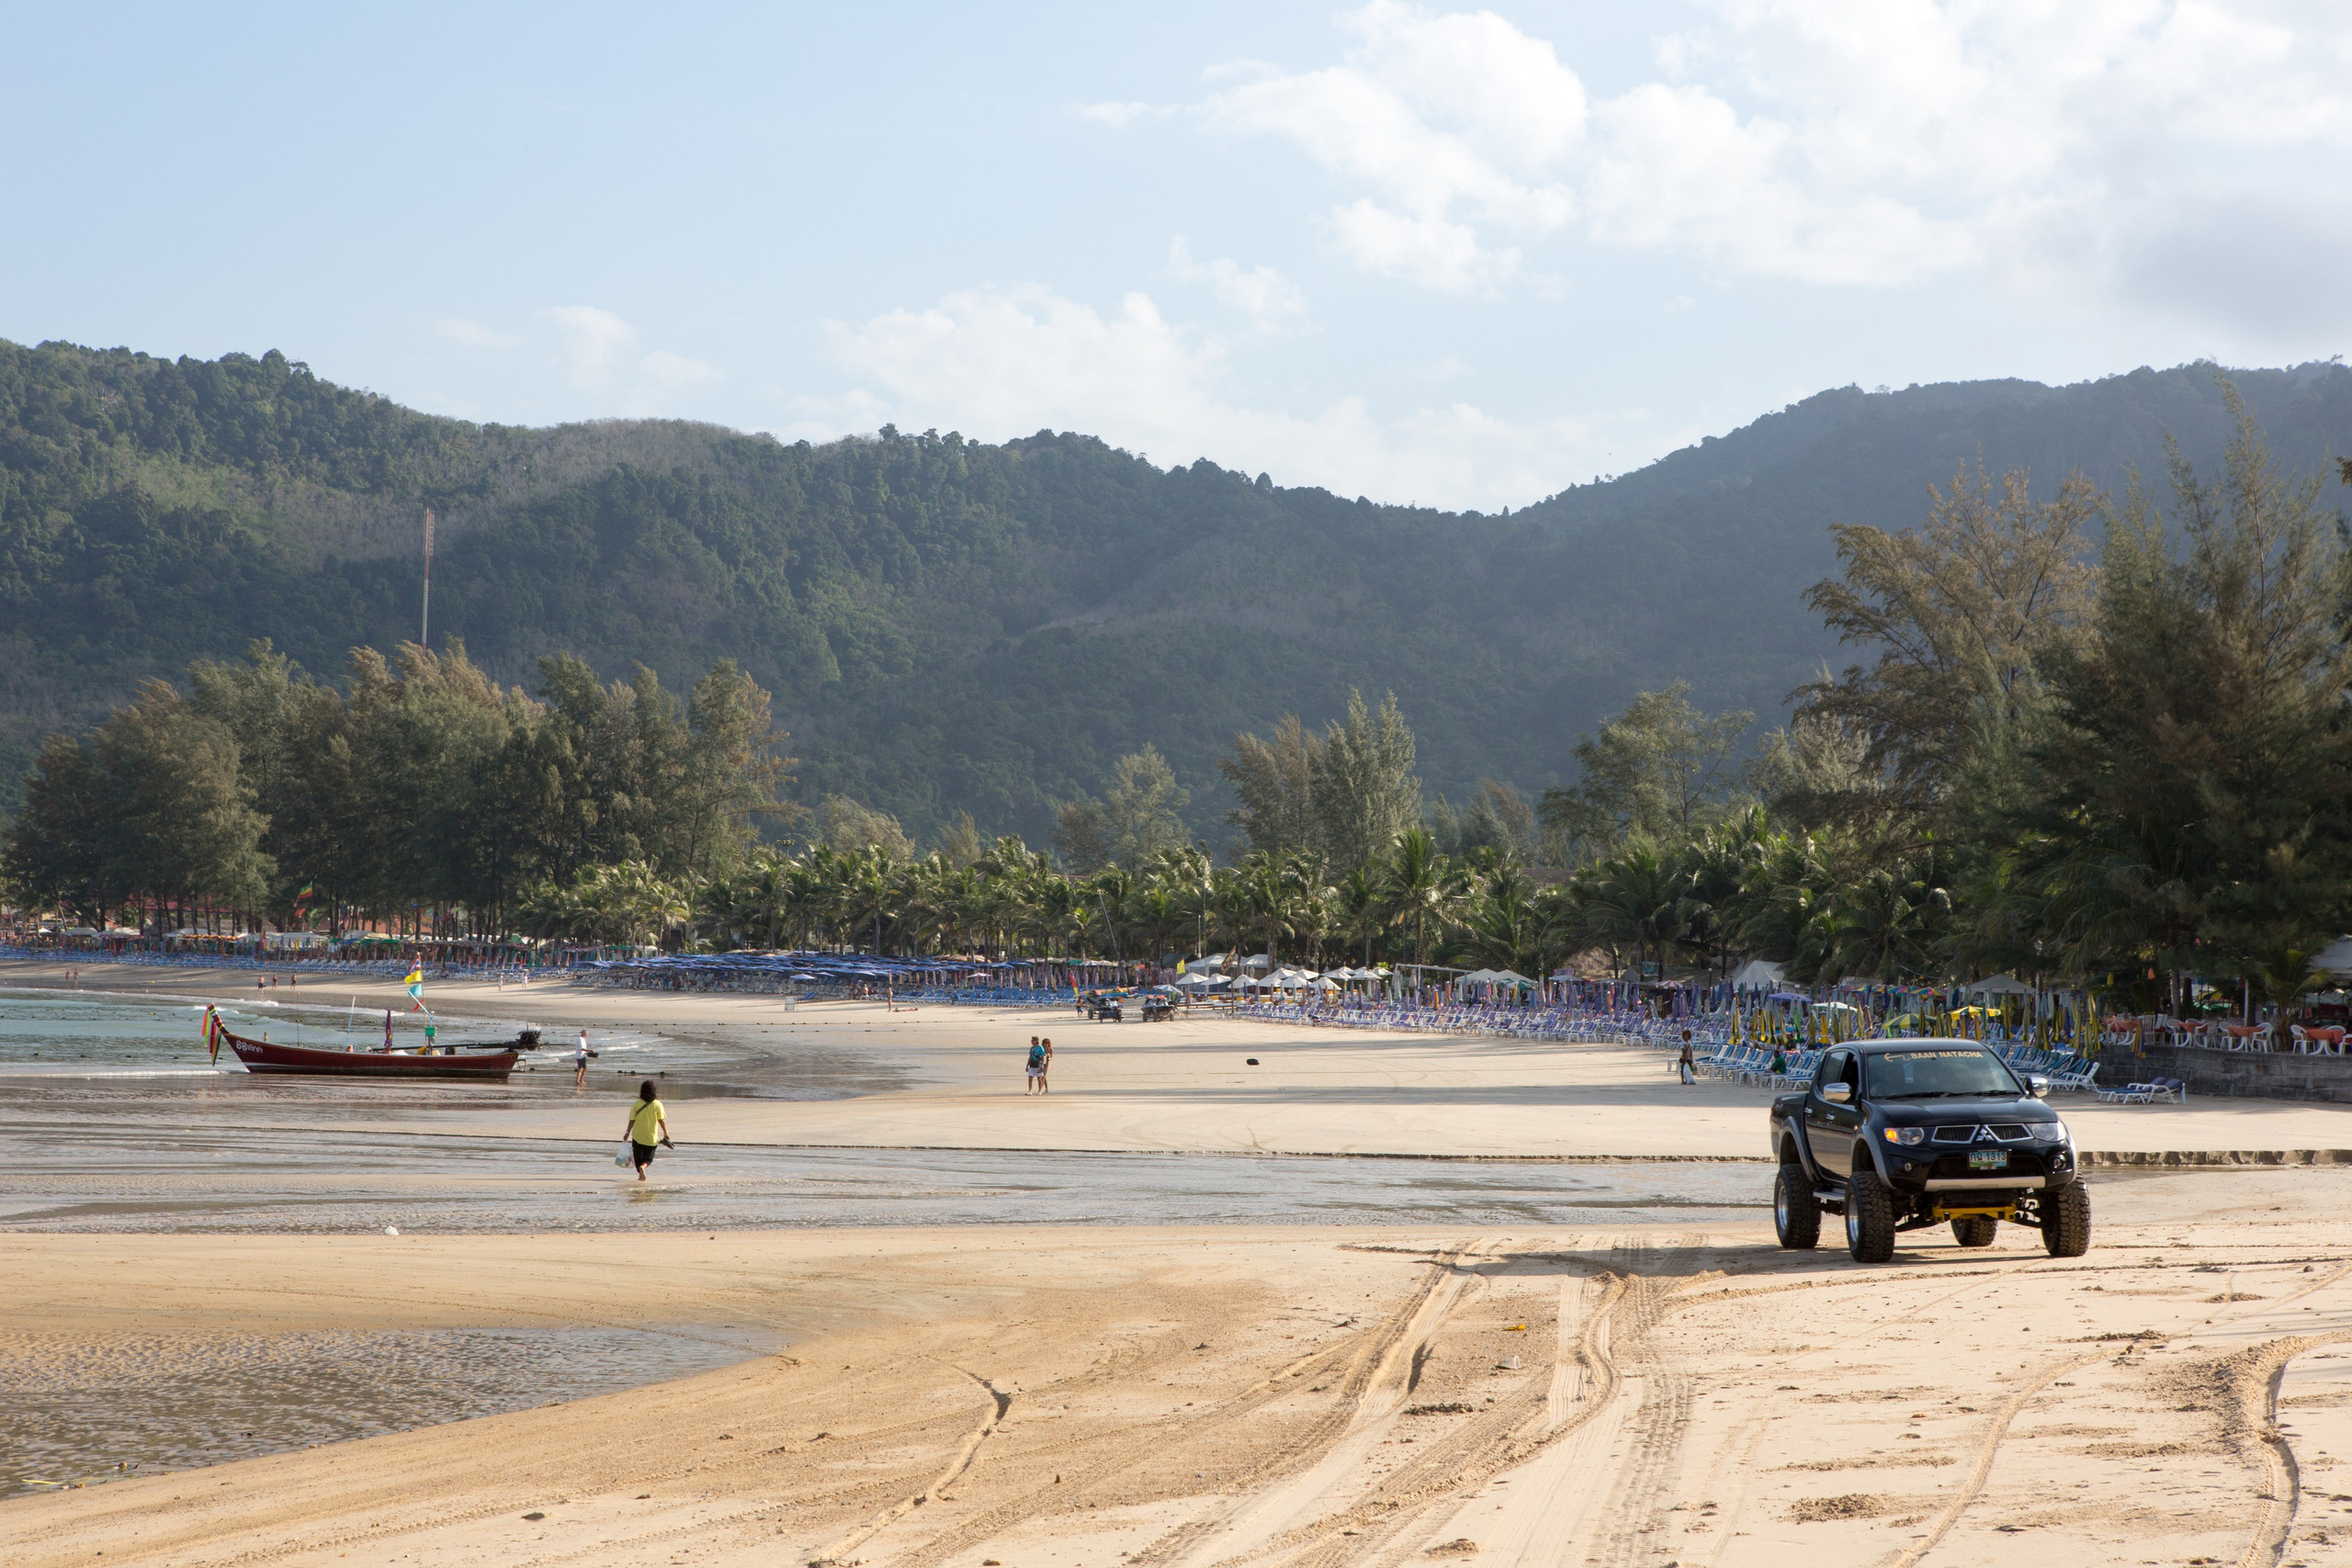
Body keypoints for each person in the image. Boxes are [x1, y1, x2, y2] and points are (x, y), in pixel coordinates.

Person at [624, 1080, 672, 1180]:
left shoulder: (636, 1104)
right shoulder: (657, 1104)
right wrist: (666, 1133)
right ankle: (643, 1167)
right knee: (648, 1158)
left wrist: (627, 1133)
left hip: (637, 1136)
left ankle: (640, 1172)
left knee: (637, 1157)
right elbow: (661, 1120)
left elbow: (632, 1120)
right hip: (651, 1137)